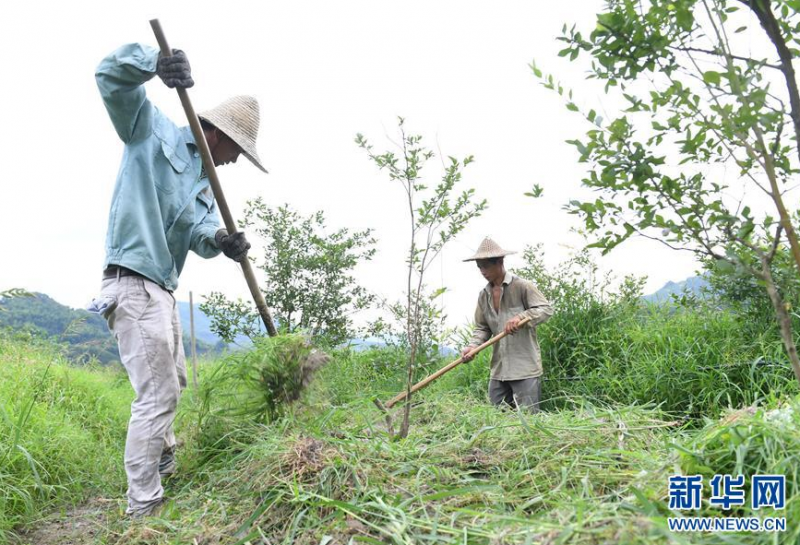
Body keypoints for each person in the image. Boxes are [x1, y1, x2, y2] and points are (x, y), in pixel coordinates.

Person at [87, 43, 268, 517]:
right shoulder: (151, 130)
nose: (232, 163)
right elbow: (110, 76)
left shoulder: (204, 188)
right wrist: (152, 63)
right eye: (235, 151)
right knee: (158, 394)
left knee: (177, 381)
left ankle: (164, 462)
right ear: (216, 134)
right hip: (132, 280)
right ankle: (143, 506)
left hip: (163, 290)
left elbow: (200, 236)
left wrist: (225, 241)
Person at [461, 238, 554, 413]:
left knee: (528, 420)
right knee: (497, 419)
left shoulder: (522, 287)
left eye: (485, 266)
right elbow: (482, 327)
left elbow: (545, 309)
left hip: (524, 369)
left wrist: (521, 317)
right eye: (479, 267)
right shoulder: (484, 295)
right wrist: (473, 347)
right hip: (499, 370)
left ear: (500, 262)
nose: (482, 271)